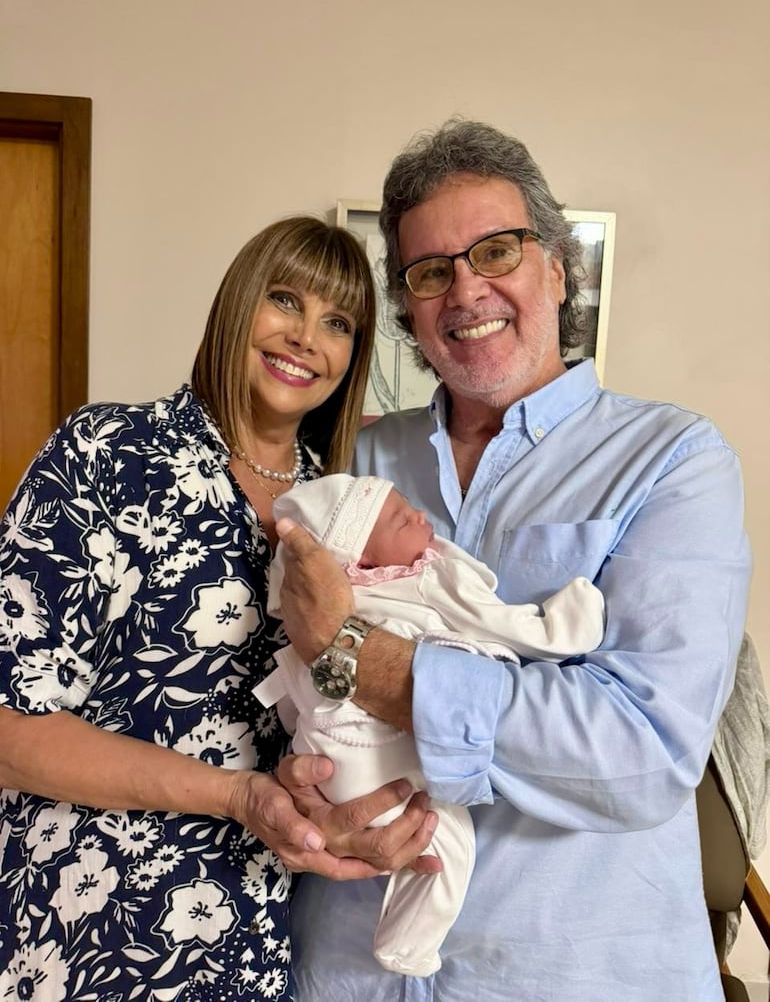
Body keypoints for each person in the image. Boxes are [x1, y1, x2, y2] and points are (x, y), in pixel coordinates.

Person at [275, 121, 752, 1001]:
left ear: (559, 269)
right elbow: (271, 690)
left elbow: (640, 749)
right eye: (430, 271)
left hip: (573, 977)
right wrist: (302, 800)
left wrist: (358, 657)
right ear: (409, 309)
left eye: (496, 250)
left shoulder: (673, 460)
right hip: (345, 969)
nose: (466, 289)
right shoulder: (353, 461)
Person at [0, 216, 438, 1002]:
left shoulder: (343, 514)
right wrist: (236, 795)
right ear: (239, 304)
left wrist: (333, 813)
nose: (306, 337)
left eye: (338, 323)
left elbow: (332, 712)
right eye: (286, 300)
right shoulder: (110, 453)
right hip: (81, 924)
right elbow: (8, 728)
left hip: (250, 938)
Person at [259, 472, 605, 977]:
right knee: (444, 842)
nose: (421, 517)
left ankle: (406, 941)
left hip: (333, 753)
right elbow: (499, 623)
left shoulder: (325, 601)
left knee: (437, 841)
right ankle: (406, 945)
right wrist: (568, 623)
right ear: (363, 558)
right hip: (376, 753)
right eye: (402, 520)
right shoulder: (425, 579)